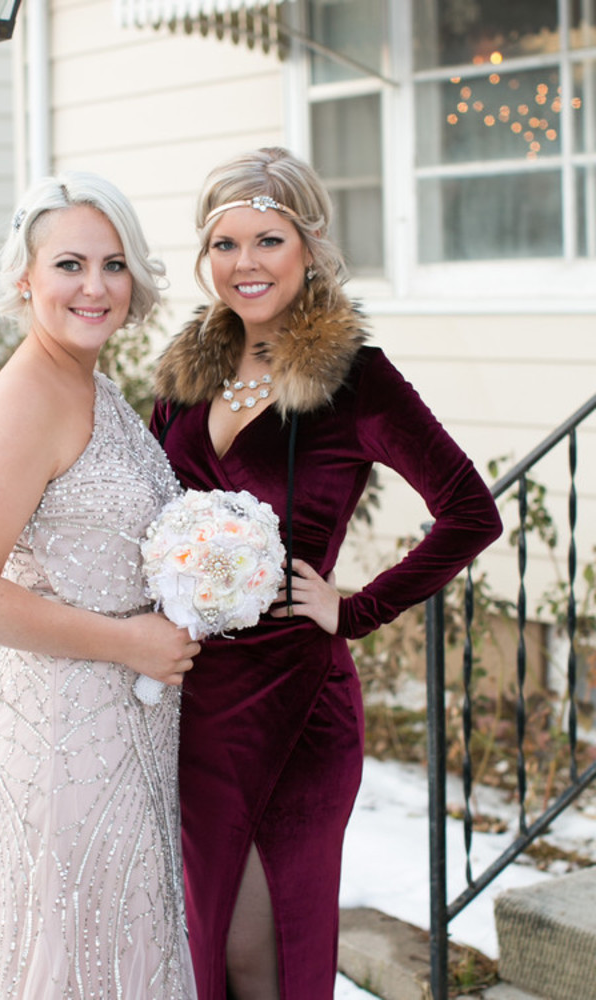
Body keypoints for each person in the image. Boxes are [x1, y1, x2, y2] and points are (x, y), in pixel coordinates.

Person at [150, 146, 502, 1000]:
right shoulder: (185, 377)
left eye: (267, 240)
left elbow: (470, 511)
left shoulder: (356, 380)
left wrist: (356, 609)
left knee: (261, 957)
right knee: (204, 953)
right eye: (225, 245)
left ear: (309, 247)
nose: (245, 265)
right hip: (193, 701)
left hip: (297, 704)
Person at [0, 171, 200, 999]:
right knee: (72, 958)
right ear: (25, 277)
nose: (95, 286)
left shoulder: (90, 383)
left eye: (113, 264)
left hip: (128, 730)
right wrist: (131, 641)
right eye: (70, 264)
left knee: (122, 952)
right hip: (62, 739)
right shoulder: (23, 400)